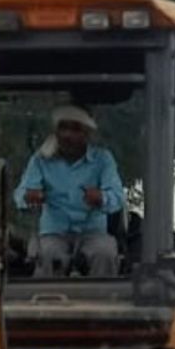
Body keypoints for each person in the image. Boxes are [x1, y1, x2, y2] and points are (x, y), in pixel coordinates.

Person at [14, 105, 125, 277]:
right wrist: (30, 196)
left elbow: (118, 198)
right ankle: (46, 301)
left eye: (74, 129)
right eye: (63, 128)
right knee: (47, 254)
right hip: (54, 233)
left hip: (93, 233)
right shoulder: (40, 160)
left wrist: (101, 197)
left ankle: (103, 300)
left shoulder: (103, 159)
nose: (67, 135)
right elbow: (20, 195)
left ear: (87, 134)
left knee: (106, 252)